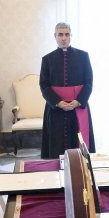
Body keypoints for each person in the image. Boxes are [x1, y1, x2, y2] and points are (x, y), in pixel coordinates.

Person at [39, 22, 95, 158]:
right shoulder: (47, 59)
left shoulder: (83, 56)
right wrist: (57, 102)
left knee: (79, 146)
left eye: (66, 34)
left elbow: (89, 82)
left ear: (71, 36)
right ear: (55, 36)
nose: (63, 38)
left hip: (78, 107)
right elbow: (43, 85)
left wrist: (78, 101)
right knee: (55, 145)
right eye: (60, 35)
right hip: (56, 109)